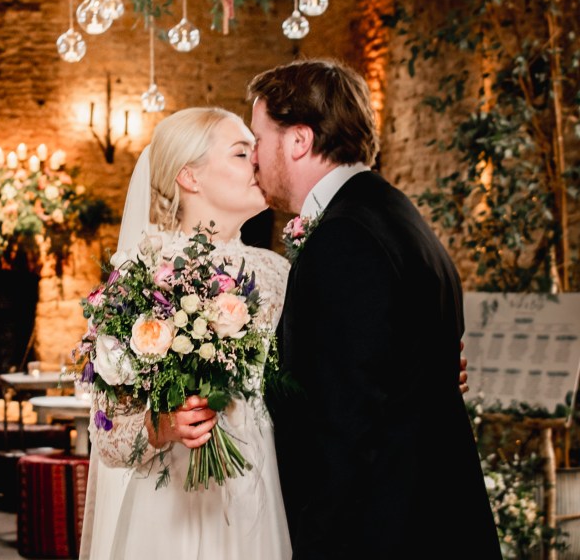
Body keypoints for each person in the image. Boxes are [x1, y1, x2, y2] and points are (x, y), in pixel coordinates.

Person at [247, 58, 500, 560]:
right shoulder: (393, 213)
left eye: (258, 138)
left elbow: (342, 430)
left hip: (381, 535)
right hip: (431, 521)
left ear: (298, 140)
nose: (253, 156)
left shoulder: (344, 238)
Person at [80, 107, 292, 560]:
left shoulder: (279, 274)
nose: (258, 160)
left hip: (256, 499)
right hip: (168, 512)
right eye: (241, 153)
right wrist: (160, 427)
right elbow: (108, 437)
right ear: (189, 177)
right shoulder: (139, 276)